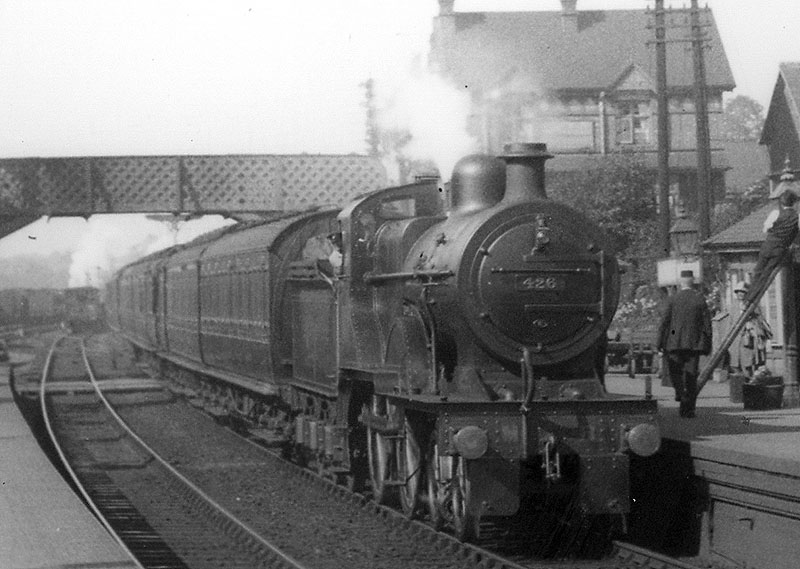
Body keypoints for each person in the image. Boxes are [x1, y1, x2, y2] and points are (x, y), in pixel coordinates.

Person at [656, 270, 712, 418]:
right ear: (692, 281)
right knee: (691, 376)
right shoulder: (700, 300)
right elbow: (707, 325)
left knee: (675, 374)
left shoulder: (673, 299)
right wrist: (707, 345)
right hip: (694, 345)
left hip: (674, 343)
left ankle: (681, 393)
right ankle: (689, 410)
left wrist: (659, 343)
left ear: (681, 282)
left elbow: (664, 323)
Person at [744, 190, 800, 305]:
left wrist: (775, 232)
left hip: (768, 246)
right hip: (780, 249)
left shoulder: (775, 213)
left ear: (781, 202)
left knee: (758, 271)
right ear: (793, 203)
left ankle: (748, 298)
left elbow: (766, 229)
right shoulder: (797, 217)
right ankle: (751, 299)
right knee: (766, 274)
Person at [732, 282, 772, 377]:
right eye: (738, 292)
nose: (740, 294)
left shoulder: (753, 307)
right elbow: (730, 325)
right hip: (736, 342)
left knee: (748, 365)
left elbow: (760, 322)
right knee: (736, 367)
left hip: (749, 341)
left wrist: (750, 324)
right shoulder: (733, 307)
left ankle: (750, 383)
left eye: (743, 292)